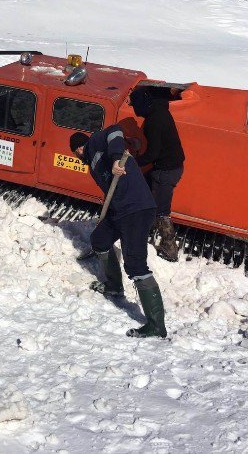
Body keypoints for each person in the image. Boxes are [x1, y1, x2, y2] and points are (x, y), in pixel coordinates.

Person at [70, 126, 167, 339]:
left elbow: (114, 131)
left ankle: (156, 324)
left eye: (75, 154)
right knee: (99, 240)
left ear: (78, 149)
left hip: (136, 208)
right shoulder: (93, 166)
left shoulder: (95, 144)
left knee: (135, 264)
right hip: (119, 209)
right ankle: (114, 287)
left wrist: (115, 158)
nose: (78, 158)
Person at [129, 86, 185, 262]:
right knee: (146, 192)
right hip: (171, 166)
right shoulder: (160, 111)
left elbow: (153, 154)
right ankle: (146, 228)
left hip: (166, 171)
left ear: (143, 103)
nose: (135, 109)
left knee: (162, 211)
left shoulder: (154, 120)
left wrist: (133, 162)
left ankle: (170, 250)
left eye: (135, 105)